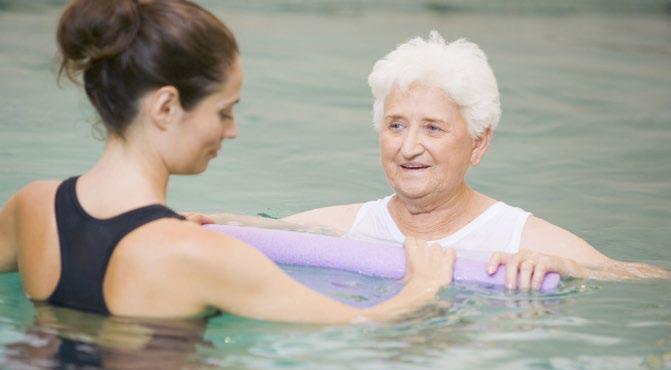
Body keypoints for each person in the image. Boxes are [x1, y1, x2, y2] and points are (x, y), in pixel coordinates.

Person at [0, 0, 461, 323]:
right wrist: (423, 286)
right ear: (165, 107)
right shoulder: (201, 254)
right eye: (224, 110)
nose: (233, 129)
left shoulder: (32, 206)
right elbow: (364, 322)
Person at [277, 32, 671, 289]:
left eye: (433, 128)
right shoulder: (344, 227)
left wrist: (574, 268)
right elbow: (249, 231)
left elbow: (652, 279)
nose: (409, 147)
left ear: (478, 144)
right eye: (396, 125)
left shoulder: (523, 239)